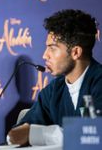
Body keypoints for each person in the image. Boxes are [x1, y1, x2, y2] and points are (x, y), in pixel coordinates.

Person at [8, 9, 102, 146]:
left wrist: (37, 134)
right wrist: (25, 131)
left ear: (76, 52)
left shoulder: (98, 82)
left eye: (52, 48)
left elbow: (93, 136)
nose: (45, 55)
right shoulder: (54, 90)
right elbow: (19, 133)